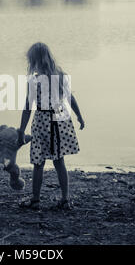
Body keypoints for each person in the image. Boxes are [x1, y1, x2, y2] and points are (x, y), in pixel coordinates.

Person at [18, 42, 85, 210]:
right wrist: (79, 116)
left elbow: (28, 107)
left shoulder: (33, 80)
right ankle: (65, 198)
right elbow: (70, 98)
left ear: (33, 61)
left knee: (38, 163)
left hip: (41, 121)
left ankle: (35, 198)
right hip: (59, 120)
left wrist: (21, 129)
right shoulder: (60, 75)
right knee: (59, 161)